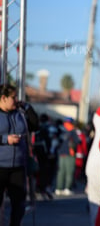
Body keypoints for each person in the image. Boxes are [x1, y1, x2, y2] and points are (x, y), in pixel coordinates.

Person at [0, 84, 30, 226]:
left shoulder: (19, 114)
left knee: (19, 205)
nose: (16, 100)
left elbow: (35, 125)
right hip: (0, 166)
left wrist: (27, 108)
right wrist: (6, 139)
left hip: (18, 166)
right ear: (3, 98)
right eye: (13, 97)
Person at [55, 117, 80, 196]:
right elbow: (78, 141)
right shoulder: (73, 131)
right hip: (70, 154)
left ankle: (58, 189)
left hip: (61, 153)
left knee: (60, 172)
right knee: (69, 172)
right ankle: (67, 188)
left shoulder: (60, 130)